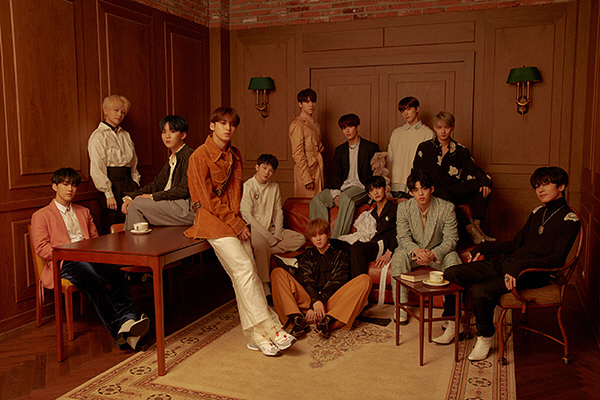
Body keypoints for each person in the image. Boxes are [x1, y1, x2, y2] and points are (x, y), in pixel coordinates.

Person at [434, 166, 580, 361]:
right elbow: (515, 244)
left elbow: (556, 259)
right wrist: (483, 247)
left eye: (545, 184)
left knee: (480, 291)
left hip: (533, 273)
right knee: (452, 273)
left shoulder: (570, 219)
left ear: (561, 186)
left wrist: (519, 268)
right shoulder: (538, 213)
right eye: (537, 186)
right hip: (510, 265)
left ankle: (485, 337)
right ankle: (454, 325)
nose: (540, 190)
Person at [185, 107, 295, 357]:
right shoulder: (199, 156)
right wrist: (236, 224)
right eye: (222, 123)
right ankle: (272, 328)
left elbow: (236, 195)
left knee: (247, 272)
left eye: (232, 124)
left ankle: (256, 336)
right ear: (212, 125)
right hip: (212, 222)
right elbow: (207, 200)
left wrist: (239, 223)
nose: (228, 128)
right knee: (244, 269)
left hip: (234, 221)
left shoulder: (234, 155)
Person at [30, 168, 149, 350]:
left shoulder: (83, 212)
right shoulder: (41, 215)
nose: (70, 189)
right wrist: (67, 253)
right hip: (65, 261)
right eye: (65, 184)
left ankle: (128, 321)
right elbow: (41, 248)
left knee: (117, 274)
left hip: (90, 256)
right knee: (94, 282)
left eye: (74, 185)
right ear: (54, 186)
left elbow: (95, 240)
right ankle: (122, 332)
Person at [270, 218, 372, 339]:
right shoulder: (306, 256)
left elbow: (336, 283)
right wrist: (313, 303)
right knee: (277, 273)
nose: (318, 239)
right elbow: (307, 280)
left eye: (321, 234)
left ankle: (327, 321)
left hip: (330, 304)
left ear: (328, 234)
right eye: (314, 236)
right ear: (310, 238)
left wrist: (318, 303)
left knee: (365, 280)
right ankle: (297, 319)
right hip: (308, 301)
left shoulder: (341, 255)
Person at [390, 169, 461, 324]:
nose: (421, 193)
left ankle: (450, 312)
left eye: (424, 188)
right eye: (416, 190)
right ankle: (401, 306)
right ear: (410, 193)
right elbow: (402, 237)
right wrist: (416, 251)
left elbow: (451, 239)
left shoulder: (446, 208)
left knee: (453, 258)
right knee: (399, 256)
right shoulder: (403, 208)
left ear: (432, 189)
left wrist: (433, 253)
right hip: (414, 252)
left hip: (437, 253)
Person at [413, 111, 494, 244]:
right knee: (443, 193)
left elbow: (474, 169)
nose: (443, 131)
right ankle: (470, 230)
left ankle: (477, 227)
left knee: (486, 182)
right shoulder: (424, 148)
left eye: (447, 127)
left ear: (452, 128)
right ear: (434, 128)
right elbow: (416, 173)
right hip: (433, 190)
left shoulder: (461, 150)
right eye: (439, 127)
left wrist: (485, 182)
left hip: (453, 189)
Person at [240, 154, 306, 296]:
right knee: (260, 246)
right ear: (257, 167)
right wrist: (269, 237)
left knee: (300, 239)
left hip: (272, 228)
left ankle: (265, 253)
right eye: (264, 168)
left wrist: (278, 233)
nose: (267, 173)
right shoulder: (248, 186)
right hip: (256, 229)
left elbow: (277, 211)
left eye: (271, 170)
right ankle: (265, 286)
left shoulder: (274, 186)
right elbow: (247, 215)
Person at [309, 113, 380, 238]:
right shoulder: (340, 150)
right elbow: (335, 174)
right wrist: (336, 193)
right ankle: (321, 238)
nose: (347, 131)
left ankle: (336, 242)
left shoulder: (370, 147)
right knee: (317, 199)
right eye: (344, 128)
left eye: (350, 126)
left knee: (345, 198)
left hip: (361, 187)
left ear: (357, 127)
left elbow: (376, 174)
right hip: (343, 187)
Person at [121, 115, 195, 230]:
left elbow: (184, 190)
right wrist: (131, 197)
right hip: (172, 204)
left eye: (172, 131)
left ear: (183, 135)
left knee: (136, 205)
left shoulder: (190, 155)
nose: (167, 136)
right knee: (133, 203)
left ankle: (132, 241)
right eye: (164, 132)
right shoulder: (172, 158)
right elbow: (156, 185)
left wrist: (152, 197)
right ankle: (137, 240)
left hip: (186, 207)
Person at [88, 95, 140, 235]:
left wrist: (135, 185)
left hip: (129, 185)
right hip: (111, 186)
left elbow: (133, 165)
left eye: (123, 112)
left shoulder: (126, 135)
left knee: (133, 226)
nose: (119, 115)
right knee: (113, 227)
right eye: (116, 110)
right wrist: (108, 193)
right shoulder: (98, 136)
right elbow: (97, 169)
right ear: (106, 110)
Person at [330, 175, 398, 279]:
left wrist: (389, 252)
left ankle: (360, 286)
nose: (376, 192)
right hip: (371, 243)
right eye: (371, 190)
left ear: (385, 189)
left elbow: (400, 231)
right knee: (333, 243)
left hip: (383, 245)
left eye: (378, 188)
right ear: (369, 195)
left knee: (357, 248)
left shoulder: (395, 208)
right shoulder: (371, 213)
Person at [387, 97, 435, 199]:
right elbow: (390, 159)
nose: (406, 113)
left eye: (409, 109)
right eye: (402, 111)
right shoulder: (396, 133)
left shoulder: (428, 134)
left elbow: (428, 164)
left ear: (417, 109)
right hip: (395, 184)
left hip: (415, 185)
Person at [289, 88, 325, 197]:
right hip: (306, 170)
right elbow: (297, 153)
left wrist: (319, 148)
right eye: (307, 101)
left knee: (319, 202)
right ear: (300, 104)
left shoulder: (316, 125)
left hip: (317, 166)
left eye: (313, 101)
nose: (311, 104)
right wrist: (306, 178)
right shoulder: (297, 124)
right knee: (306, 203)